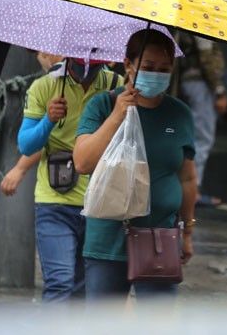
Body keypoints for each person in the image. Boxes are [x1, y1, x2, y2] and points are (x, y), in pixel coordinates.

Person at [73, 29, 196, 300]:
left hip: (159, 239)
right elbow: (82, 162)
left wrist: (187, 230)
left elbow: (187, 178)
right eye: (149, 67)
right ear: (128, 65)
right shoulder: (103, 105)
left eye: (164, 69)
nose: (157, 74)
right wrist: (118, 114)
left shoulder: (180, 114)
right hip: (108, 240)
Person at [0, 57, 121, 303]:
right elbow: (26, 144)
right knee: (59, 282)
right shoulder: (44, 86)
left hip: (100, 203)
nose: (86, 63)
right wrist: (49, 119)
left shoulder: (116, 86)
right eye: (80, 57)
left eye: (94, 57)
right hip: (54, 201)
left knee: (84, 288)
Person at [177, 0, 227, 206]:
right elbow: (207, 57)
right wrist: (219, 90)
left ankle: (189, 188)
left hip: (188, 82)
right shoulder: (202, 13)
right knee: (202, 137)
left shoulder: (190, 10)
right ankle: (193, 190)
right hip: (199, 83)